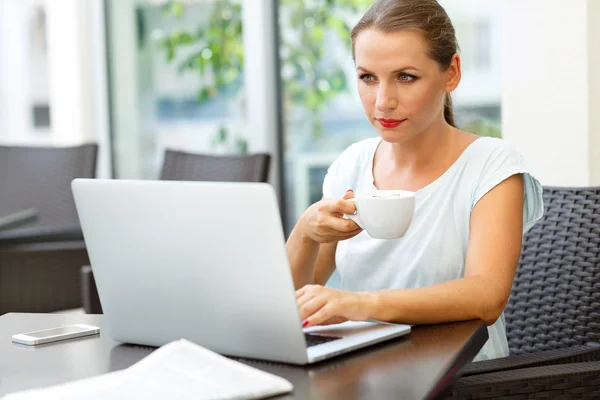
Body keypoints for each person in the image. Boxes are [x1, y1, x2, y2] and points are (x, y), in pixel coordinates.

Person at [285, 0, 544, 361]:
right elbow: (286, 303)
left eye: (405, 77)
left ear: (451, 72)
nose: (383, 102)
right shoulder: (351, 165)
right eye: (367, 78)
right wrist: (306, 231)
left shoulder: (491, 164)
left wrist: (360, 304)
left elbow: (487, 297)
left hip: (466, 379)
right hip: (363, 373)